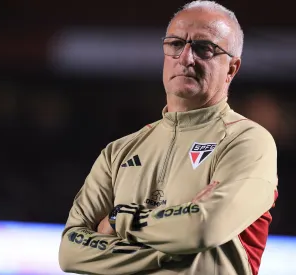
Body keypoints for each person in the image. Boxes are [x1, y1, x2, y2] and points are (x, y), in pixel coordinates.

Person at [58, 1, 279, 274]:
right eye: (175, 44)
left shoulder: (248, 141)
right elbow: (70, 251)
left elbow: (203, 228)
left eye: (204, 48)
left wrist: (118, 219)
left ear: (232, 69)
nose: (185, 58)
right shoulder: (119, 151)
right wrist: (175, 254)